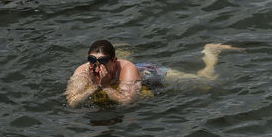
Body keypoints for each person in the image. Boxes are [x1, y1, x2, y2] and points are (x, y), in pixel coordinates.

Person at [66, 39, 239, 107]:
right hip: (111, 82)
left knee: (206, 81)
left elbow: (128, 101)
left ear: (113, 60)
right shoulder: (82, 71)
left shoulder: (127, 69)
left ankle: (210, 51)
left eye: (102, 61)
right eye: (92, 61)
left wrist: (105, 87)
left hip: (149, 72)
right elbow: (72, 102)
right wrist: (94, 87)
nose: (96, 66)